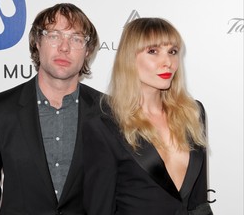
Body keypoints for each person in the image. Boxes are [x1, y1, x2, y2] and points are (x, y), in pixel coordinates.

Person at [0, 3, 101, 215]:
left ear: (87, 51)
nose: (64, 47)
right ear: (38, 42)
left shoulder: (108, 112)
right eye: (54, 35)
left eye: (76, 38)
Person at [82, 18, 213, 215]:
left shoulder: (193, 113)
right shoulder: (104, 123)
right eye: (153, 51)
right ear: (129, 58)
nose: (167, 62)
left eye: (172, 52)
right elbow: (99, 208)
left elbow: (199, 204)